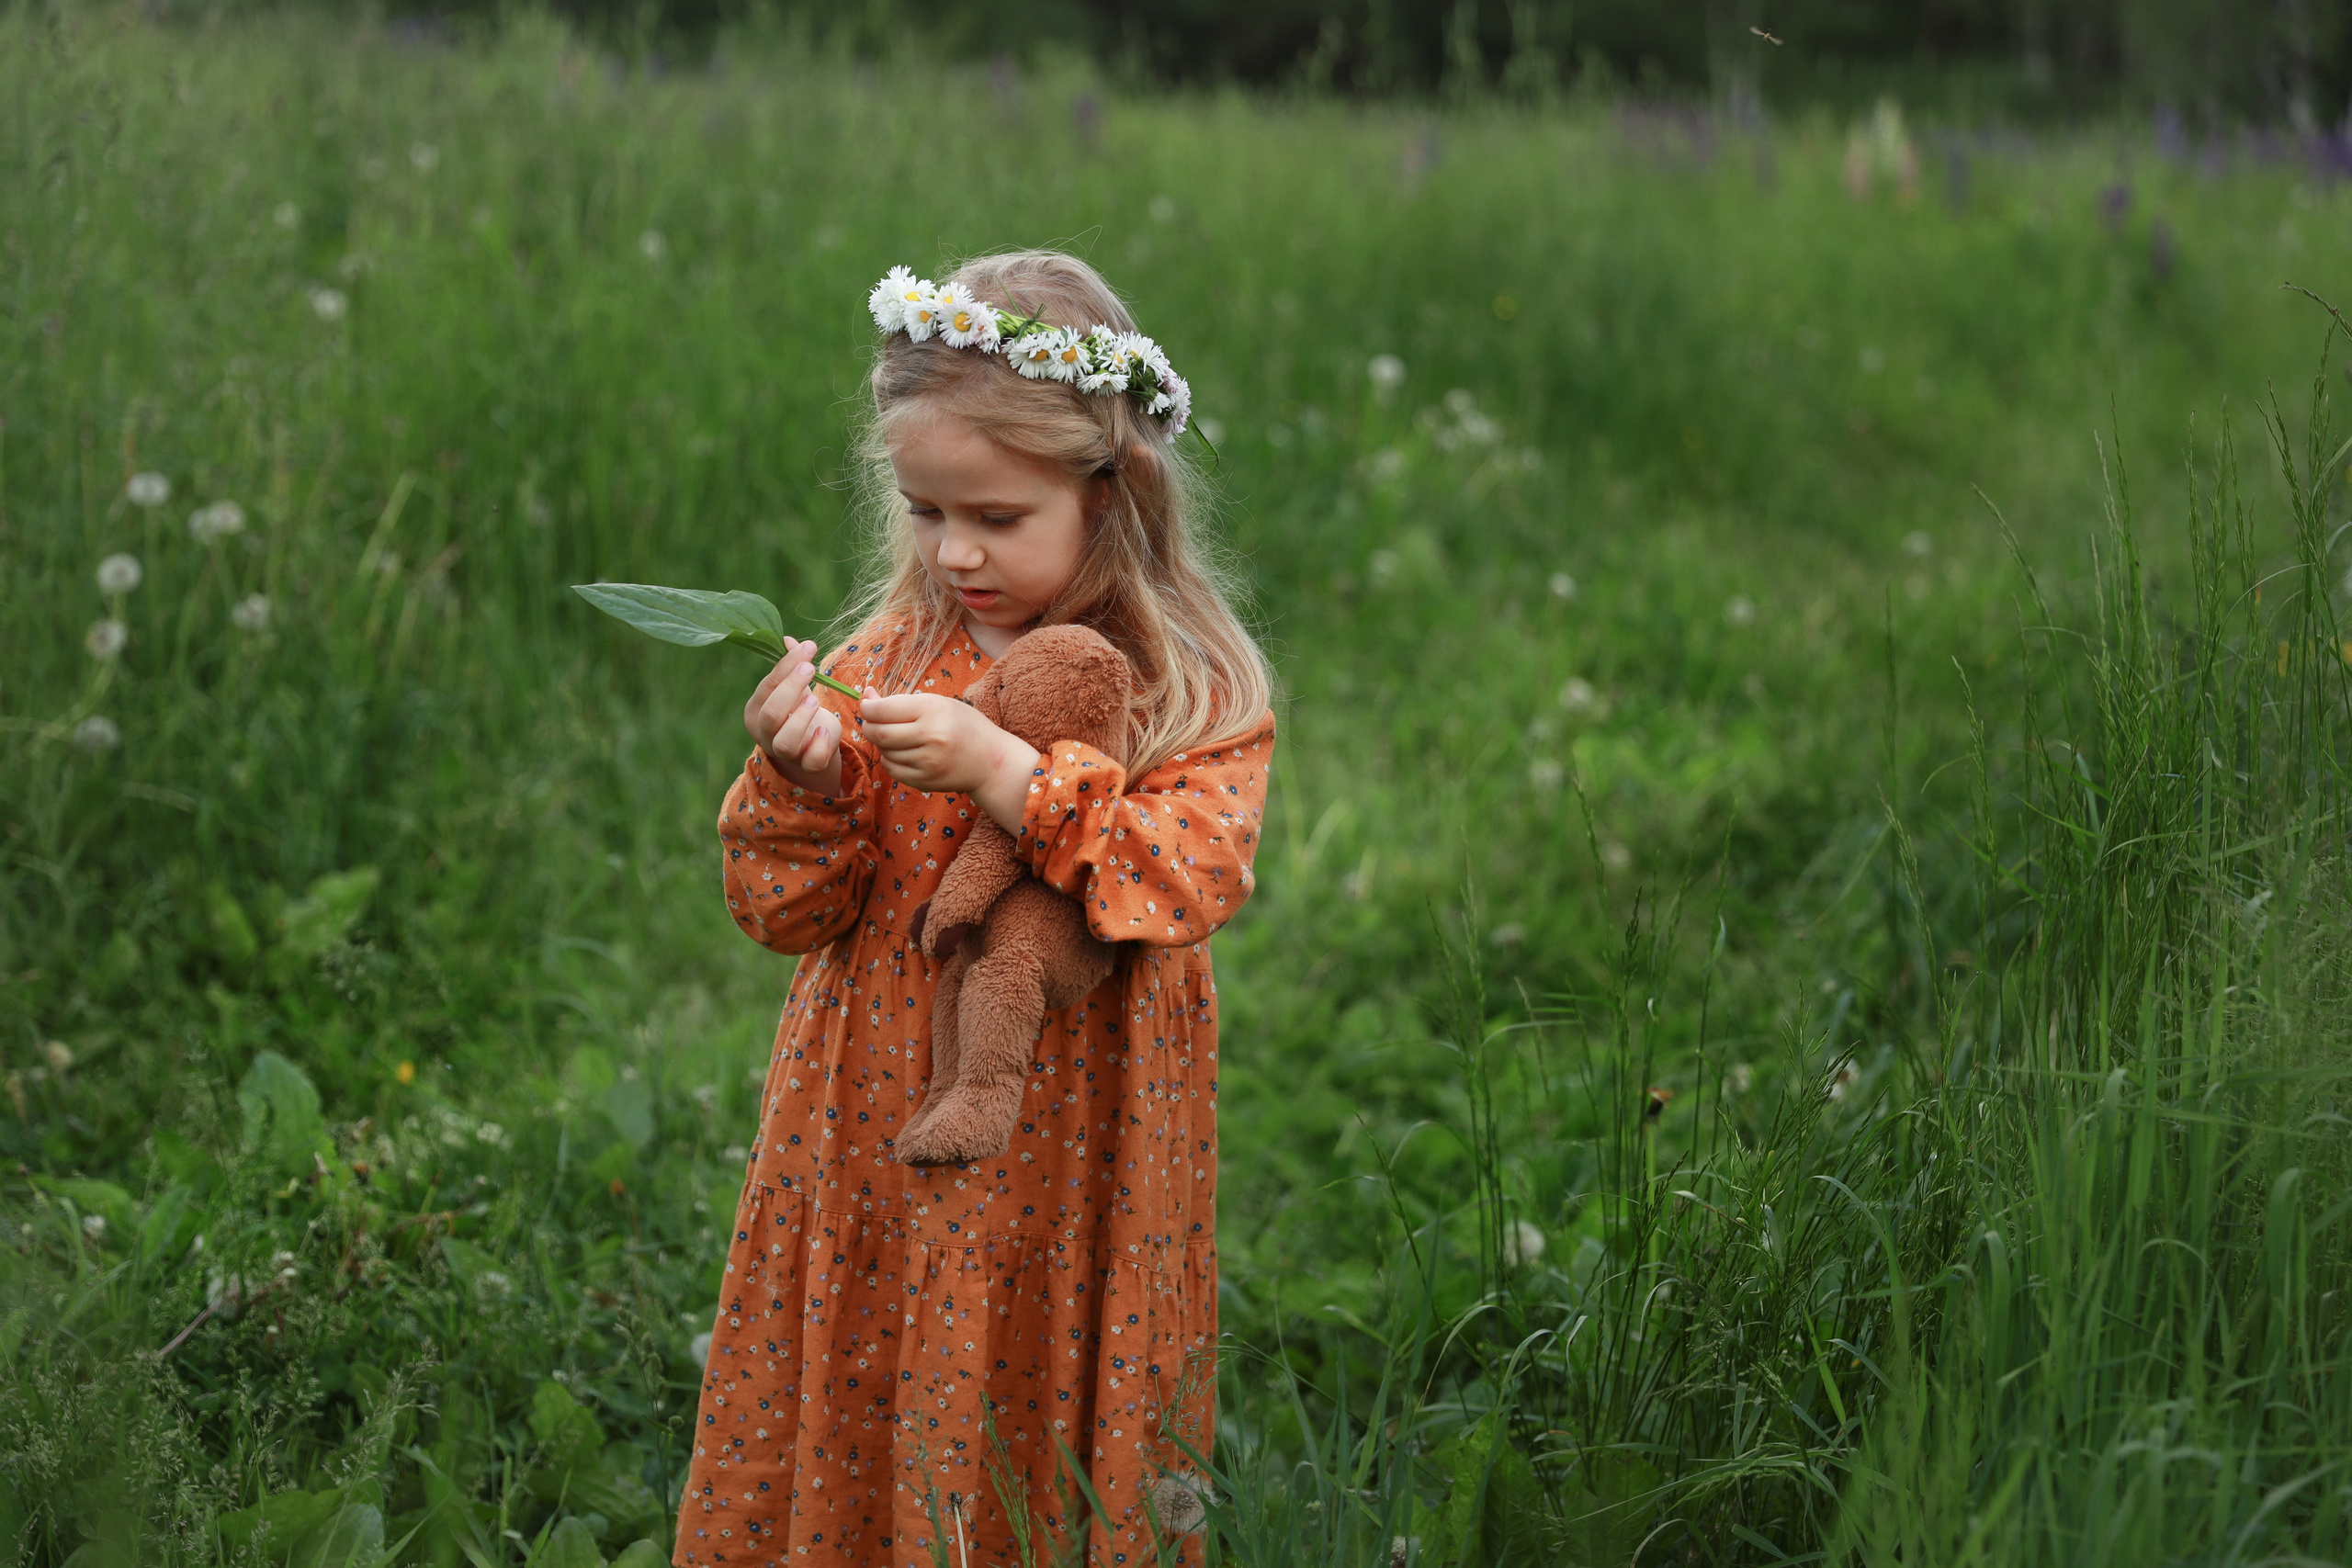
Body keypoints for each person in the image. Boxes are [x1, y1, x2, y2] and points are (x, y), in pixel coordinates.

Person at [674, 251, 1275, 1567]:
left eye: (997, 517)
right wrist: (802, 783)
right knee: (878, 1368)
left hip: (1079, 1159)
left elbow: (1182, 880)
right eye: (926, 507)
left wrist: (1011, 776)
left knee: (1029, 1390)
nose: (955, 551)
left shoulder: (1194, 696)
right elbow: (782, 909)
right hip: (875, 1122)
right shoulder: (890, 658)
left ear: (1113, 493)